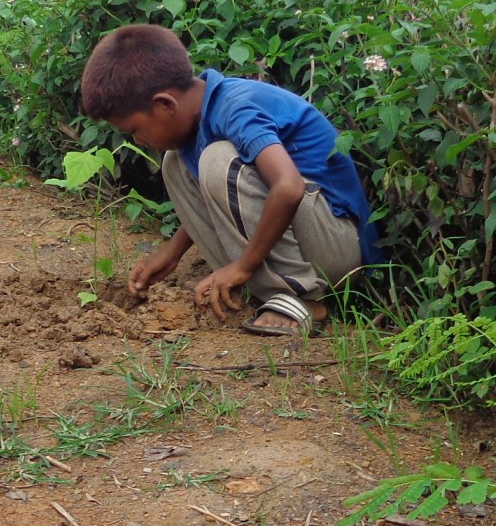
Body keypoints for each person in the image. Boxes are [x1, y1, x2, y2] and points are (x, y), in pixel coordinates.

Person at [79, 23, 380, 336]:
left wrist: (244, 265)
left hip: (337, 247)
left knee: (218, 160)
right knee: (175, 162)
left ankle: (300, 298)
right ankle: (262, 286)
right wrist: (172, 252)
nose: (139, 140)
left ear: (166, 104)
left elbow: (288, 188)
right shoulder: (203, 117)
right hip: (305, 241)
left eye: (134, 130)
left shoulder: (236, 106)